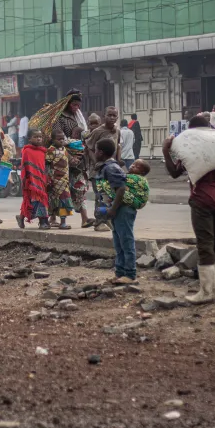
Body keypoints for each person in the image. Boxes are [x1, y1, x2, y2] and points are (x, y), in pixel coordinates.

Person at [163, 114, 215, 304]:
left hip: (202, 199)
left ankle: (206, 292)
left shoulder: (190, 149)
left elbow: (174, 172)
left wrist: (165, 151)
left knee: (205, 244)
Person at [93, 138, 138, 284]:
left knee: (126, 241)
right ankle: (120, 273)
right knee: (119, 243)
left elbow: (121, 188)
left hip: (122, 209)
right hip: (116, 209)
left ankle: (130, 274)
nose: (94, 153)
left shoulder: (111, 168)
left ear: (101, 152)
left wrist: (112, 209)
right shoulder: (106, 166)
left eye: (95, 150)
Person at [52, 90, 95, 228]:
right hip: (62, 158)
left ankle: (85, 218)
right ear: (68, 103)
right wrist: (69, 156)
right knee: (58, 190)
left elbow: (83, 135)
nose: (76, 108)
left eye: (78, 105)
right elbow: (58, 139)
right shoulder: (59, 118)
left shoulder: (78, 117)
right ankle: (53, 217)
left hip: (80, 159)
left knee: (80, 187)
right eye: (74, 104)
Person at [16, 129, 50, 230]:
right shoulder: (26, 151)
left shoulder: (43, 151)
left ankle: (40, 220)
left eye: (40, 136)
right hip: (31, 182)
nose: (39, 138)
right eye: (36, 137)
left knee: (40, 201)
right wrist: (25, 181)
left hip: (42, 180)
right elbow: (25, 167)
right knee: (33, 201)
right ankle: (42, 221)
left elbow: (44, 167)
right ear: (30, 139)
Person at [45, 130, 75, 230]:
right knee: (61, 200)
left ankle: (58, 221)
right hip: (55, 180)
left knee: (62, 200)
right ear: (53, 140)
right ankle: (61, 223)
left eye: (63, 139)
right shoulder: (51, 150)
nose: (61, 141)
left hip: (65, 180)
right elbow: (47, 164)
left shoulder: (64, 149)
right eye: (59, 139)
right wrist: (48, 178)